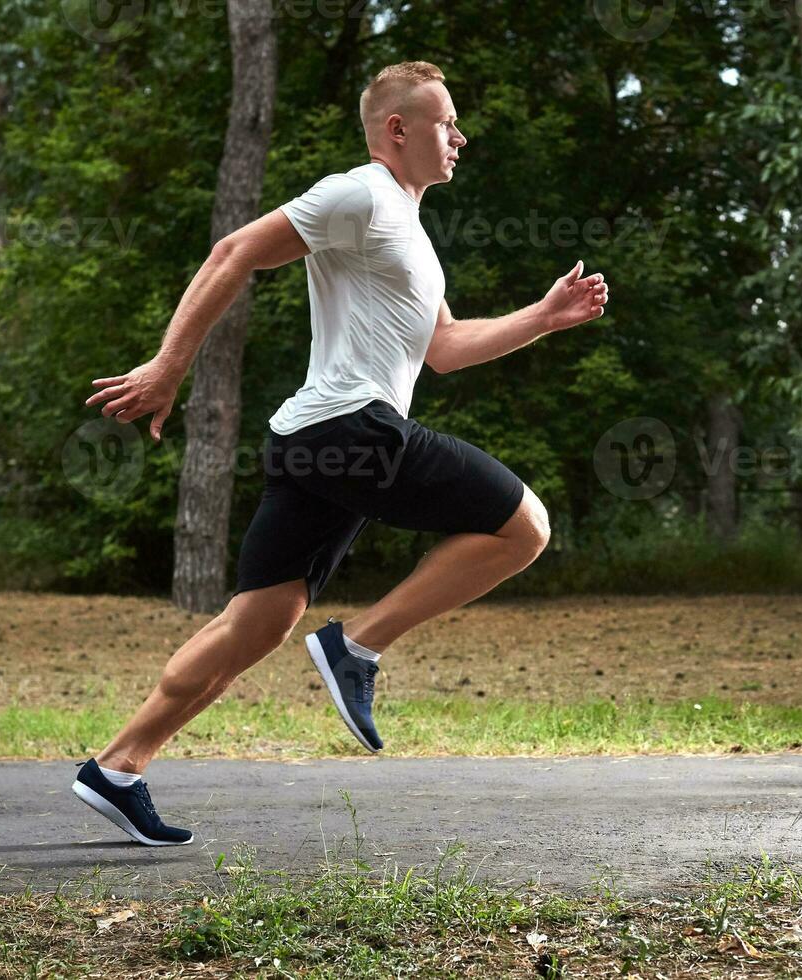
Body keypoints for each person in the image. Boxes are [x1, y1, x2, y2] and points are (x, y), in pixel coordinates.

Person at [73, 61, 609, 845]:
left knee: (258, 622)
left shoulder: (409, 232)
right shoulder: (358, 192)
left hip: (313, 440)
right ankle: (357, 646)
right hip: (350, 429)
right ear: (398, 129)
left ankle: (118, 767)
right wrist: (168, 365)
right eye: (445, 122)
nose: (460, 137)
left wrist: (544, 317)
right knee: (524, 527)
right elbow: (234, 253)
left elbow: (446, 349)